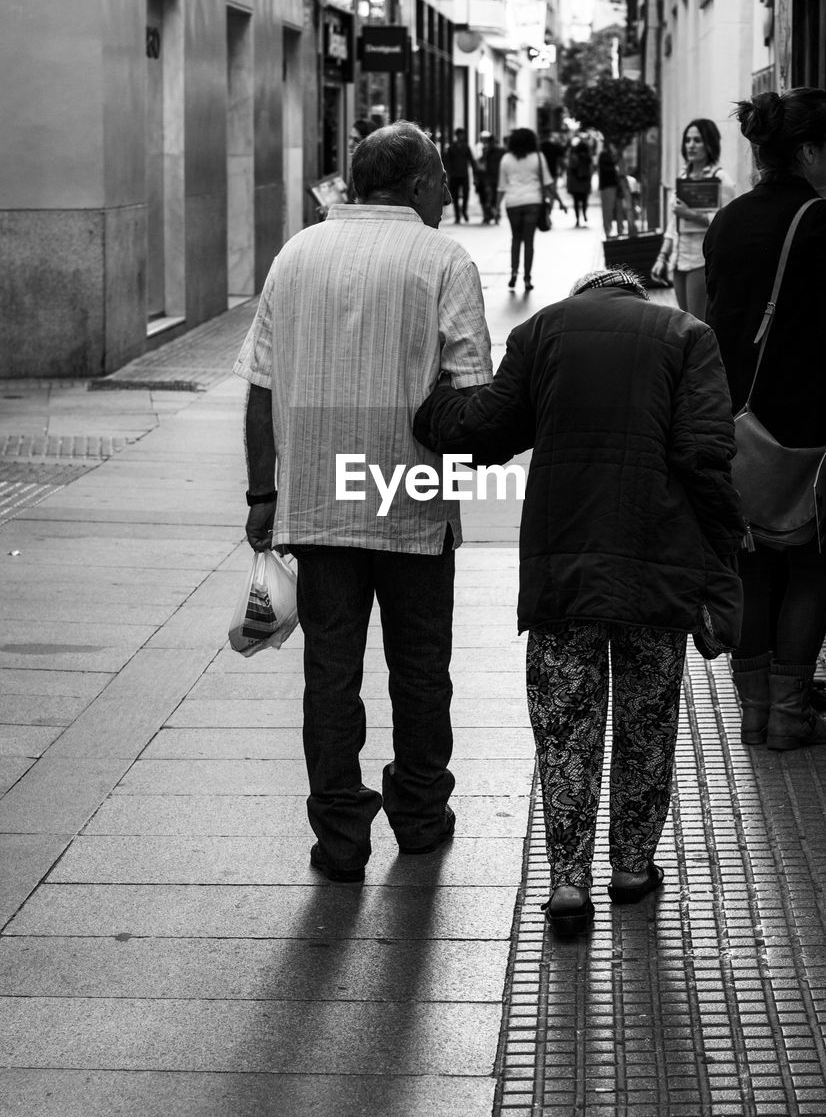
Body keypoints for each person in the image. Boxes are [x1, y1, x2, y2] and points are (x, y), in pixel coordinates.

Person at [413, 268, 744, 936]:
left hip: (565, 567)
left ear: (583, 293)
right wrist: (723, 551)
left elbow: (482, 431)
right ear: (637, 291)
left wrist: (431, 398)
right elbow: (705, 452)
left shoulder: (541, 333)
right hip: (658, 567)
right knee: (647, 724)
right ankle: (630, 868)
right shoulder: (688, 335)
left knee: (566, 726)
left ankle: (568, 883)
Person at [234, 120, 493, 882]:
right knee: (420, 668)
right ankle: (418, 817)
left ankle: (339, 838)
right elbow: (472, 392)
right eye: (443, 178)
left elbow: (261, 386)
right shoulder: (443, 259)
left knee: (330, 673)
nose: (448, 192)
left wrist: (261, 493)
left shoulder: (297, 253)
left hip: (315, 500)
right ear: (415, 184)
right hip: (410, 497)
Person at [705, 88, 826, 751]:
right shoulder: (822, 221)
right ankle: (789, 713)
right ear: (808, 150)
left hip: (737, 422)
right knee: (811, 564)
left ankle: (752, 712)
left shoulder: (728, 221)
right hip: (808, 424)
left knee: (750, 562)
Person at [651, 118, 735, 318]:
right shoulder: (683, 176)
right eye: (688, 140)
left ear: (710, 143)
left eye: (697, 140)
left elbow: (726, 222)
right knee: (684, 320)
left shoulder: (721, 179)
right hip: (678, 259)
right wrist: (662, 257)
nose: (691, 145)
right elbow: (674, 223)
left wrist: (691, 215)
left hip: (701, 260)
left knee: (696, 324)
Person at [496, 127, 553, 291]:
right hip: (533, 202)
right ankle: (527, 279)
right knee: (529, 242)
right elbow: (548, 182)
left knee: (515, 239)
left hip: (512, 202)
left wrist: (496, 207)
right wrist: (559, 200)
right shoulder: (538, 157)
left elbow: (501, 186)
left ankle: (513, 273)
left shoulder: (506, 158)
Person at [444, 127, 478, 224]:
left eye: (463, 134)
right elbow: (448, 161)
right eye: (460, 134)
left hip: (464, 175)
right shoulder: (451, 147)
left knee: (466, 194)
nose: (461, 136)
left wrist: (475, 173)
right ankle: (457, 215)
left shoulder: (466, 147)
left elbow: (471, 160)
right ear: (457, 135)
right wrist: (448, 173)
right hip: (454, 175)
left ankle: (464, 211)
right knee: (454, 195)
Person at [598, 143, 626, 237]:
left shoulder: (616, 156)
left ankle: (620, 230)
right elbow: (607, 169)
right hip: (608, 186)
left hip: (617, 185)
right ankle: (608, 232)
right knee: (608, 210)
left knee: (619, 210)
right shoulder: (604, 156)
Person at [479, 132, 506, 224]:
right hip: (489, 178)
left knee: (494, 198)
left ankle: (495, 215)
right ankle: (491, 215)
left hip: (498, 178)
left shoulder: (502, 151)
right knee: (489, 198)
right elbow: (482, 161)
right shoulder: (486, 151)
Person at [566, 139, 593, 226]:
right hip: (585, 182)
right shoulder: (588, 158)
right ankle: (584, 213)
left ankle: (577, 219)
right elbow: (590, 170)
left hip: (575, 183)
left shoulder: (574, 157)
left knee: (576, 202)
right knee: (584, 200)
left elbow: (570, 170)